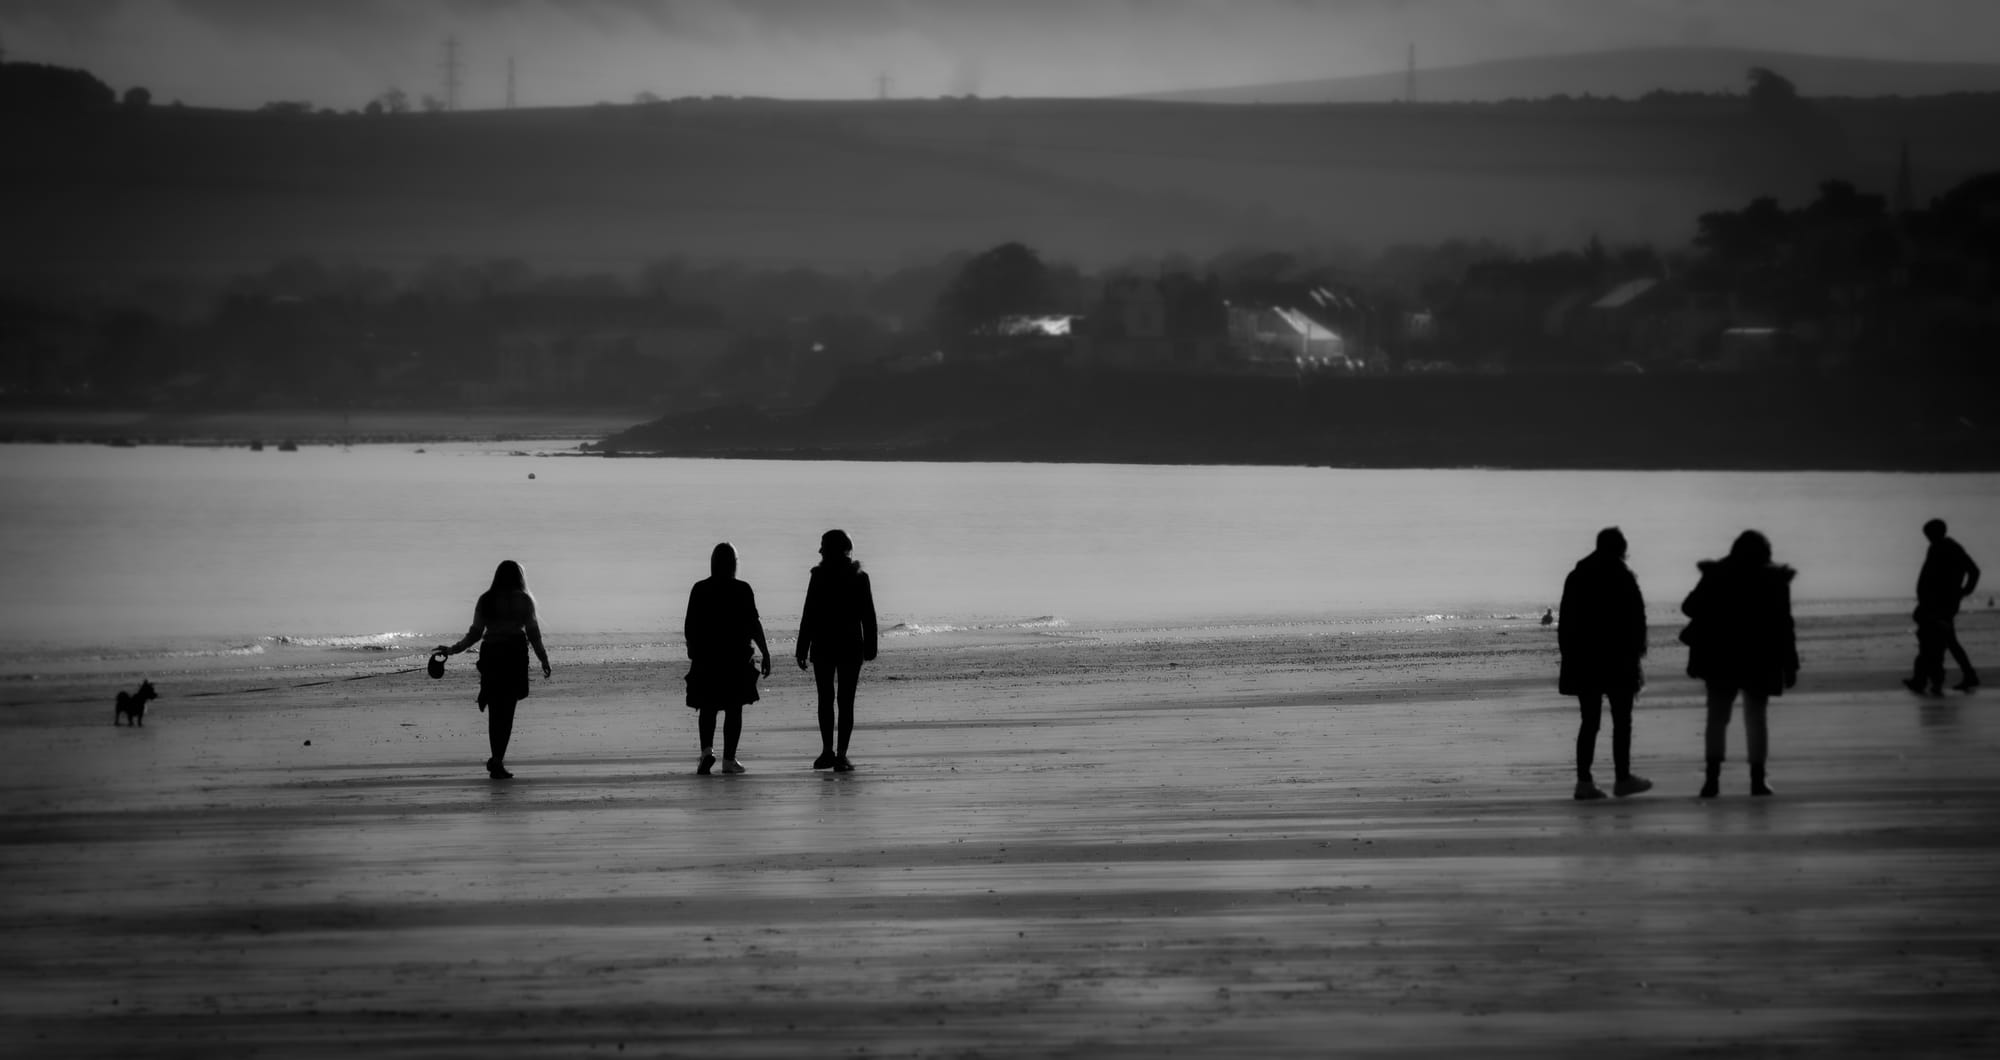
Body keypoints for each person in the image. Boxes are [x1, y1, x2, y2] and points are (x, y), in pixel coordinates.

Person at [1681, 530, 1797, 798]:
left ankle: (1712, 780)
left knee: (1717, 719)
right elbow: (1784, 625)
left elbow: (1689, 607)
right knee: (1756, 719)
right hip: (1761, 658)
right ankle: (1758, 780)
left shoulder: (1716, 574)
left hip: (1721, 658)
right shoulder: (1775, 579)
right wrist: (1790, 665)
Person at [1557, 527, 1652, 801]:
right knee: (1622, 721)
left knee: (1589, 722)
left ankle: (1583, 782)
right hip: (1618, 662)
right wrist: (1637, 657)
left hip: (1584, 662)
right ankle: (1622, 779)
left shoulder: (1576, 576)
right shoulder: (1623, 575)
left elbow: (1566, 625)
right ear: (1621, 549)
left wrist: (1569, 658)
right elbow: (1637, 620)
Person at [437, 560, 551, 779]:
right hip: (515, 656)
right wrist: (544, 659)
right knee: (507, 711)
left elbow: (475, 633)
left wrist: (453, 650)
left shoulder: (486, 600)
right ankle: (497, 759)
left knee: (495, 710)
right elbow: (534, 634)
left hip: (492, 656)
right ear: (520, 578)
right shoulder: (524, 600)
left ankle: (496, 758)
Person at [683, 543, 771, 775]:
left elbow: (690, 626)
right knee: (734, 708)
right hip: (736, 657)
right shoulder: (742, 589)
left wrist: (693, 649)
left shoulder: (700, 588)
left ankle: (706, 752)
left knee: (707, 707)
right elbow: (754, 624)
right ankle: (729, 760)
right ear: (734, 564)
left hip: (707, 657)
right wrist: (766, 652)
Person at [796, 529, 878, 773]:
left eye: (823, 546)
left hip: (823, 645)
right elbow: (869, 616)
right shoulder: (859, 577)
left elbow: (808, 614)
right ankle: (840, 754)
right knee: (845, 700)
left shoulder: (819, 576)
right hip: (851, 646)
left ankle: (827, 752)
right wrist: (871, 647)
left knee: (826, 699)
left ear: (832, 549)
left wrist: (802, 647)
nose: (820, 550)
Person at [1904, 518, 1981, 697]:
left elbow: (1974, 571)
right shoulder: (1938, 547)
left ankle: (1923, 679)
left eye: (1929, 534)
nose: (1927, 538)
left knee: (1930, 641)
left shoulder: (1949, 548)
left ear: (1936, 533)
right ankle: (1964, 675)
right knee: (1945, 641)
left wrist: (1964, 591)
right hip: (1935, 604)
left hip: (1940, 605)